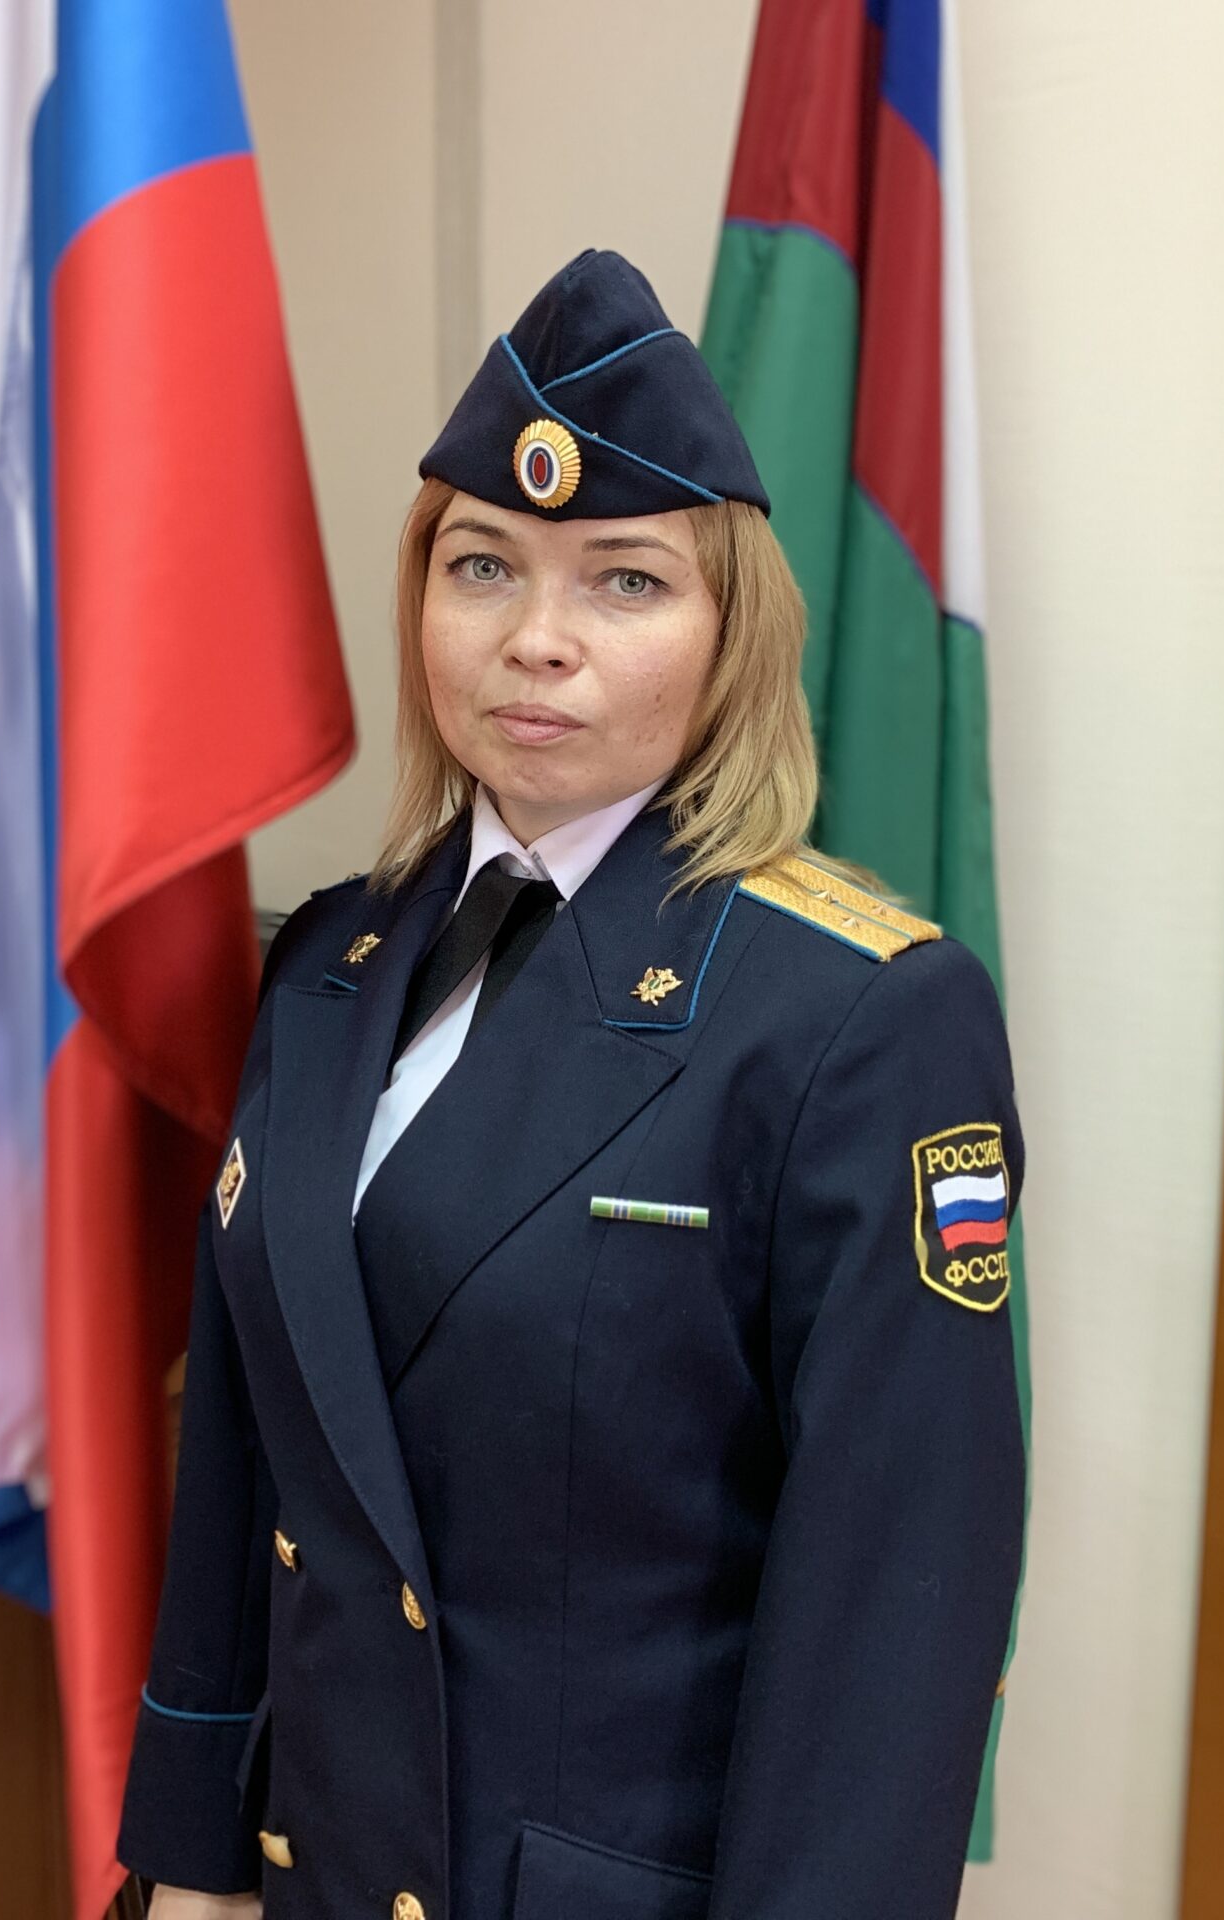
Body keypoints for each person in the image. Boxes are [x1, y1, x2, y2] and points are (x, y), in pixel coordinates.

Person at [118, 249, 1025, 1920]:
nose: (538, 641)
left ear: (731, 631)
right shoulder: (323, 965)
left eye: (625, 581)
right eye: (484, 566)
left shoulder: (860, 1022)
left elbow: (892, 1624)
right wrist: (186, 1863)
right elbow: (250, 1468)